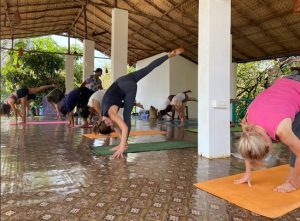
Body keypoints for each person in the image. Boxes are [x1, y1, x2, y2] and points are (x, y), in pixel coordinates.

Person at [98, 47, 184, 159]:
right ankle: (169, 55)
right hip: (123, 80)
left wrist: (122, 145)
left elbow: (122, 127)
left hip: (127, 88)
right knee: (148, 68)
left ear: (106, 121)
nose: (112, 124)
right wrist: (121, 142)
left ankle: (124, 145)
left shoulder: (111, 114)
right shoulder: (104, 115)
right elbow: (115, 126)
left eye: (110, 124)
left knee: (126, 116)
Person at [234, 70, 300, 193]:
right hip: (284, 82)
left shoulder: (282, 130)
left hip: (296, 87)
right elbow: (249, 147)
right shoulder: (247, 124)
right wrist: (248, 172)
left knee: (296, 140)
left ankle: (293, 179)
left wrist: (293, 184)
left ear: (266, 141)